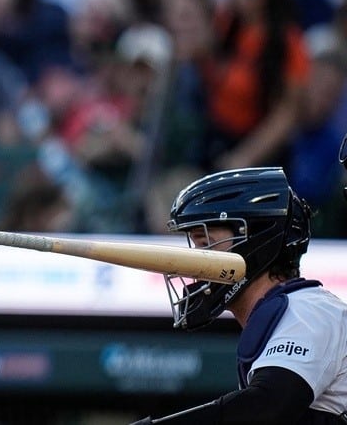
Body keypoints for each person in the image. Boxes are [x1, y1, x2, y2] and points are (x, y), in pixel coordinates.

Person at [131, 167, 347, 424]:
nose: (192, 262)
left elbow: (265, 406)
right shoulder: (277, 318)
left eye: (204, 243)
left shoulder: (309, 311)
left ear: (255, 242)